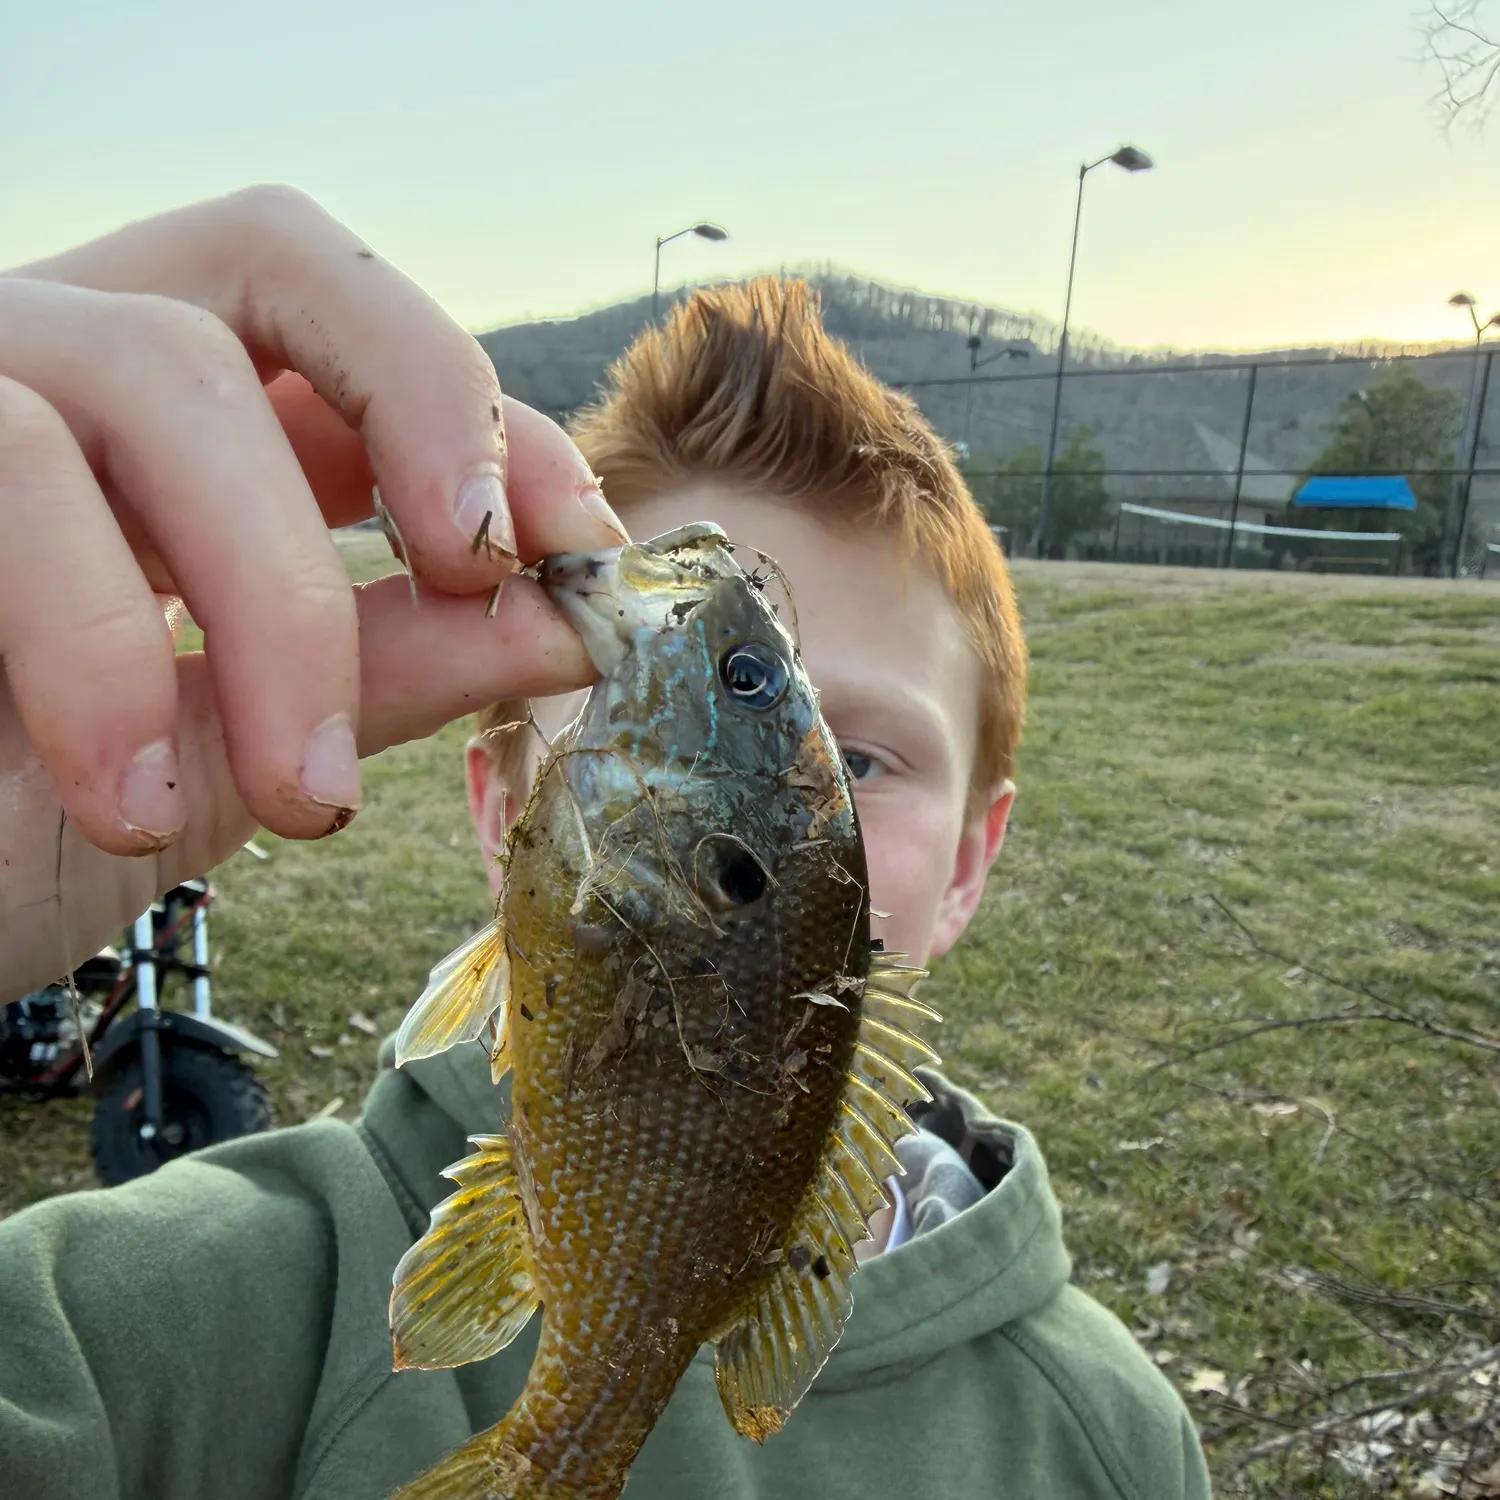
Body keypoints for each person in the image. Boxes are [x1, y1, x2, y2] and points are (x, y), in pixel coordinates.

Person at [0, 190, 1210, 1499]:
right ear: (503, 813)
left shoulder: (1107, 1447)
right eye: (763, 699)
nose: (823, 804)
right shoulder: (223, 1313)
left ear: (974, 861)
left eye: (861, 761)